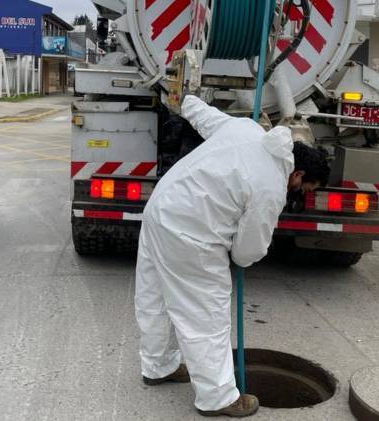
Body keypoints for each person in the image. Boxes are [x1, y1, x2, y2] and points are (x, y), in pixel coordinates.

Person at [134, 95, 330, 417]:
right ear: (298, 174)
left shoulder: (246, 129)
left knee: (154, 297)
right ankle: (218, 398)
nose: (302, 194)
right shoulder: (272, 187)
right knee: (207, 316)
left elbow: (203, 115)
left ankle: (158, 366)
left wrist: (184, 98)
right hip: (191, 234)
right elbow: (248, 250)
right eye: (306, 188)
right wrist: (239, 257)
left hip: (160, 210)